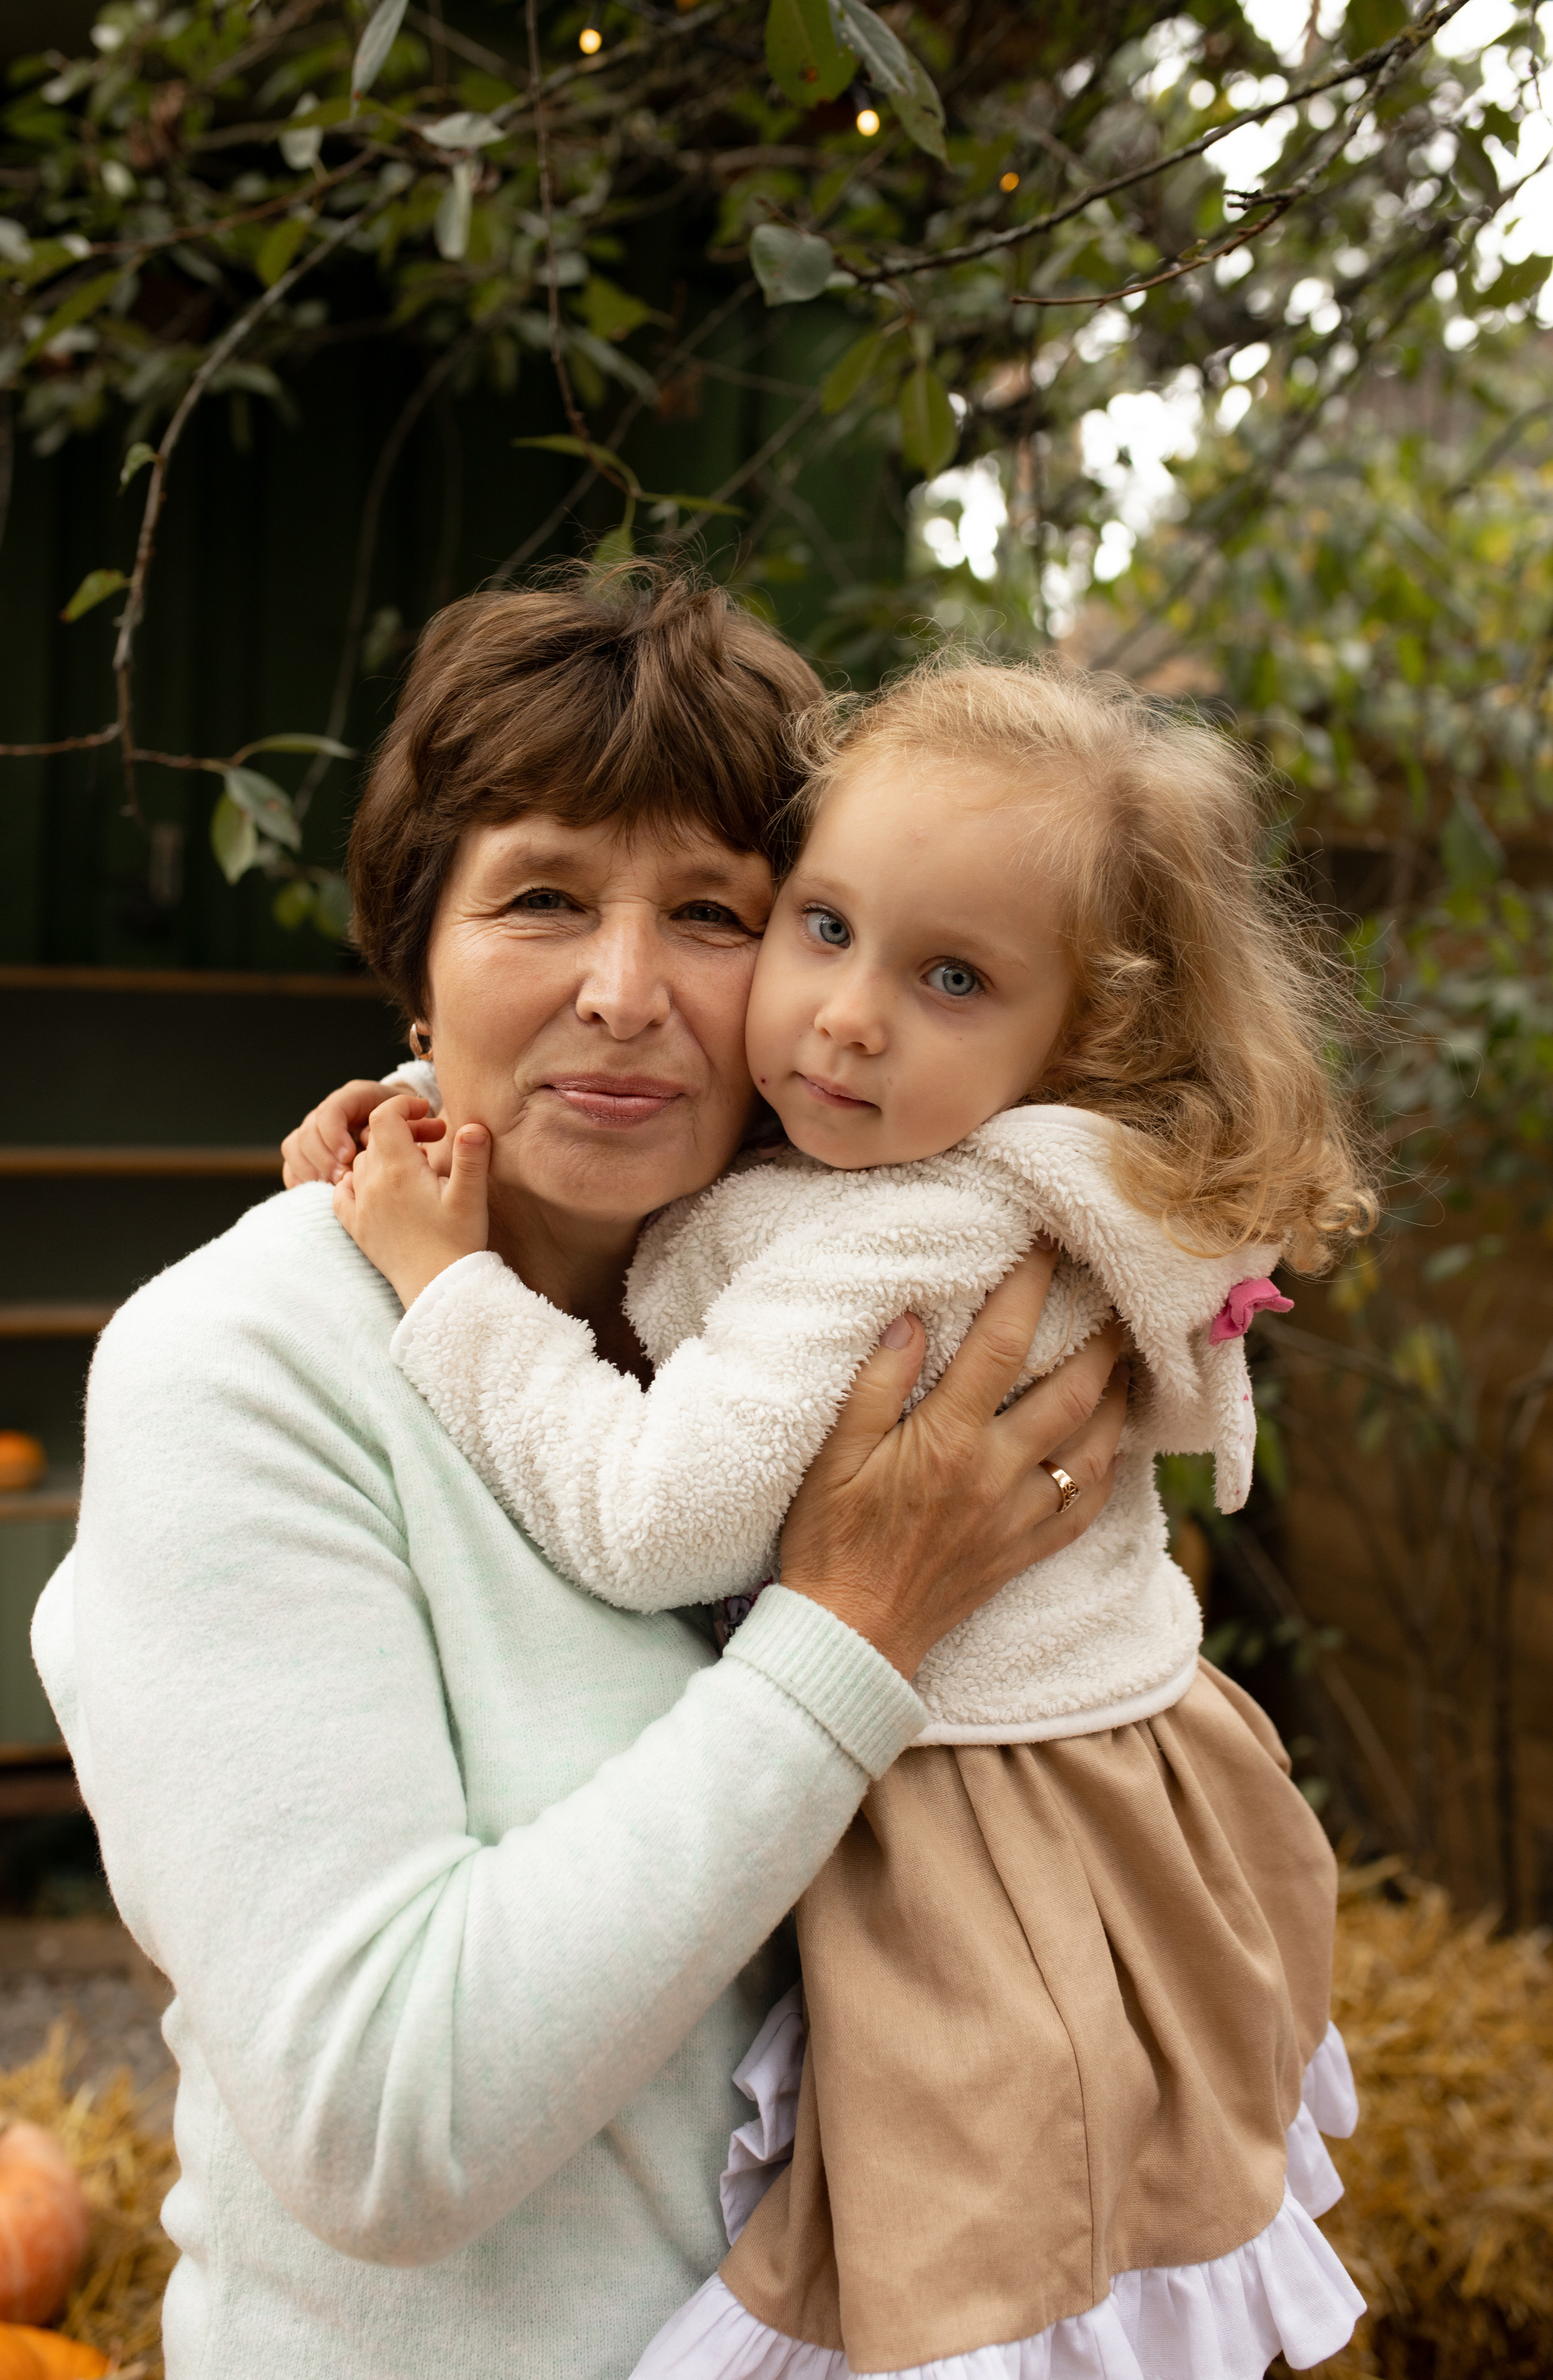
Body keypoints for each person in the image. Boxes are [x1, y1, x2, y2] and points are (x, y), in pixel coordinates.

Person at [31, 571, 1126, 2380]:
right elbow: (381, 2124)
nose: (626, 995)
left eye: (714, 912)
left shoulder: (829, 1299)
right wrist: (853, 1626)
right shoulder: (239, 1370)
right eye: (540, 899)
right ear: (419, 950)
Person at [316, 654, 1375, 2380]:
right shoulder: (929, 1161)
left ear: (1079, 1038)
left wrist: (442, 1283)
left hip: (984, 1839)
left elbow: (654, 1520)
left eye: (951, 976)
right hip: (1121, 1774)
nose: (851, 1019)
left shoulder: (898, 1243)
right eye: (823, 929)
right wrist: (431, 1107)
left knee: (959, 2291)